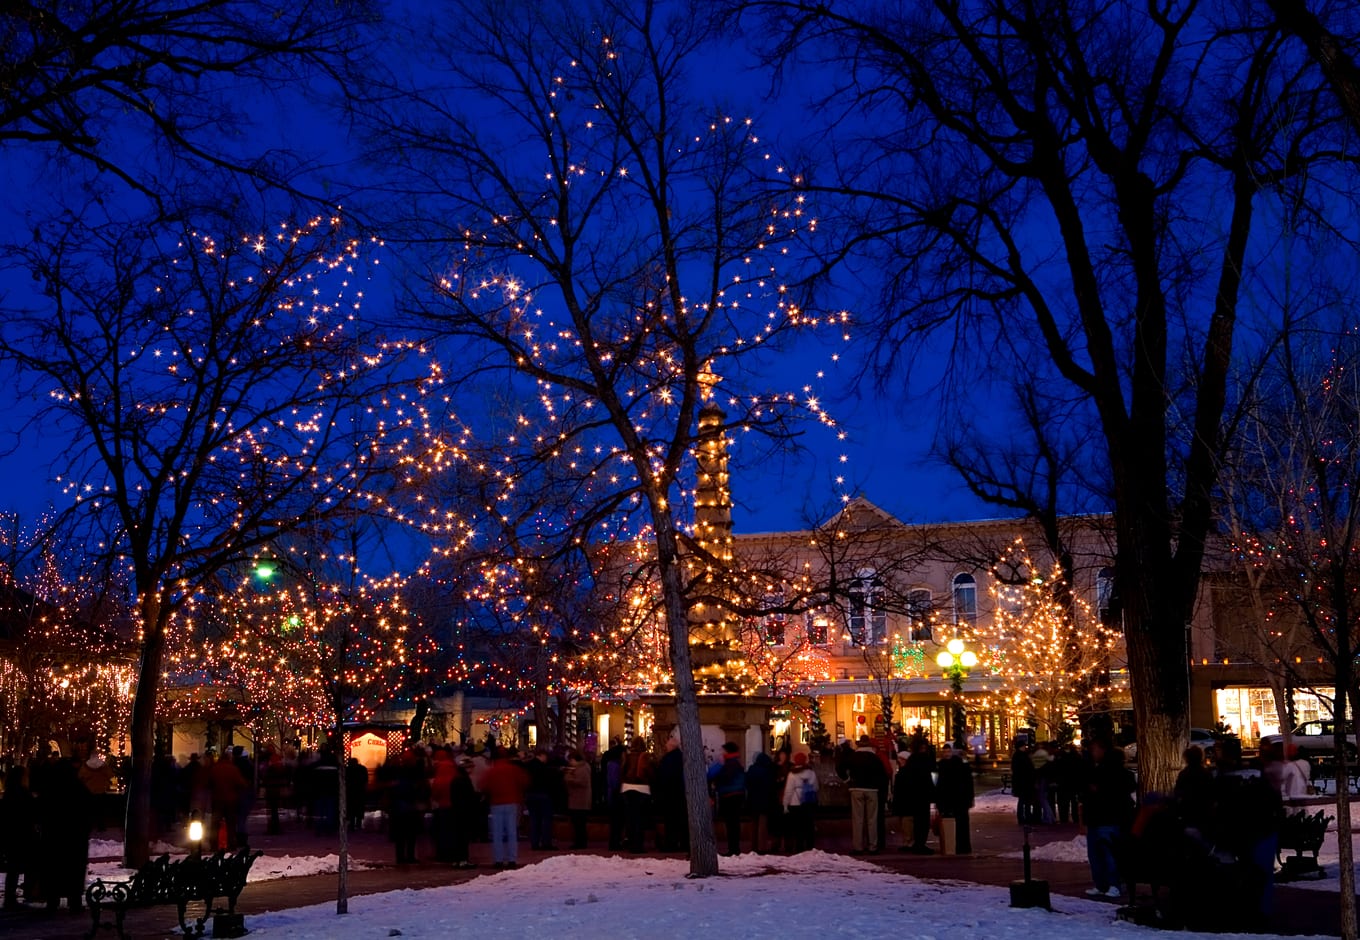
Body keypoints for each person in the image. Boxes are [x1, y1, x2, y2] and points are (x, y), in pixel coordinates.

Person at [1081, 740, 1135, 899]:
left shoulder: (1105, 772)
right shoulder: (1119, 773)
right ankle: (1106, 884)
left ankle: (1109, 884)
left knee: (1104, 853)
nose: (1092, 753)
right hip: (1105, 817)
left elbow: (1094, 791)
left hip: (1105, 817)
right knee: (1103, 853)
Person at [838, 736, 888, 854]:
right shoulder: (875, 758)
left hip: (856, 788)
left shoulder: (853, 757)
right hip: (872, 789)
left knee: (858, 819)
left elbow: (840, 767)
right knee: (872, 819)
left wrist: (847, 780)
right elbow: (882, 775)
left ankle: (858, 846)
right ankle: (872, 846)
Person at [482, 749, 529, 868]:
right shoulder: (513, 769)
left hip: (496, 803)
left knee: (497, 833)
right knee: (512, 831)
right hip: (512, 801)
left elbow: (483, 785)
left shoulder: (491, 771)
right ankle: (512, 859)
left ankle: (498, 860)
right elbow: (525, 781)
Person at [1, 766, 37, 909]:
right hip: (23, 834)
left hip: (12, 835)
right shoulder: (23, 794)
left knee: (13, 867)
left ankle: (11, 895)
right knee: (27, 864)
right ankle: (27, 891)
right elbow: (30, 812)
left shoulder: (9, 793)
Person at [935, 742, 975, 854]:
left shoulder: (958, 764)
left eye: (948, 751)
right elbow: (939, 784)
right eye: (944, 752)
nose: (946, 754)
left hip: (958, 799)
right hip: (951, 799)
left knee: (960, 824)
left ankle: (959, 847)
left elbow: (967, 781)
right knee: (954, 824)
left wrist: (969, 797)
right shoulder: (942, 765)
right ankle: (954, 846)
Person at [898, 739, 936, 854]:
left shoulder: (912, 760)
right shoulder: (926, 759)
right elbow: (931, 774)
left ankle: (917, 843)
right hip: (923, 794)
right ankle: (920, 844)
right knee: (923, 821)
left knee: (918, 820)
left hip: (915, 795)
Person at [708, 742, 746, 856]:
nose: (721, 752)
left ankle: (733, 849)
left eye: (722, 750)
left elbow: (723, 777)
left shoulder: (730, 763)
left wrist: (716, 781)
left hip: (731, 796)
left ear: (727, 751)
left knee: (732, 823)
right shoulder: (734, 762)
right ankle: (734, 848)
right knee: (732, 823)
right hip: (734, 795)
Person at [619, 738, 655, 853]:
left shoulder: (628, 756)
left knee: (630, 817)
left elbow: (622, 770)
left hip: (627, 787)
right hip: (642, 788)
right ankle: (638, 845)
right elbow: (649, 772)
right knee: (640, 818)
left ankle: (630, 841)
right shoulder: (645, 756)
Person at [655, 734, 688, 852]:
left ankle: (671, 843)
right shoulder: (681, 757)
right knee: (681, 819)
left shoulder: (668, 759)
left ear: (671, 746)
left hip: (670, 793)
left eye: (667, 744)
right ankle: (684, 843)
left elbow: (663, 776)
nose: (665, 746)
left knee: (670, 820)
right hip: (680, 792)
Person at [781, 751, 818, 853]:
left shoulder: (792, 774)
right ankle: (810, 846)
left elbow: (788, 791)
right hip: (808, 802)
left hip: (795, 803)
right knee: (808, 825)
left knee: (797, 827)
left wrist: (785, 805)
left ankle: (799, 846)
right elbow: (816, 787)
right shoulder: (811, 772)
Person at [525, 748, 560, 851]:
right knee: (546, 819)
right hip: (543, 794)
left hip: (531, 794)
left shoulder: (529, 766)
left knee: (534, 819)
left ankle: (534, 843)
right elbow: (548, 780)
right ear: (542, 755)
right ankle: (546, 842)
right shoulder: (543, 768)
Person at [745, 751, 777, 853]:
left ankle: (753, 846)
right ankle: (761, 846)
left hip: (753, 800)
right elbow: (771, 786)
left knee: (753, 824)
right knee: (762, 825)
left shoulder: (752, 769)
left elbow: (747, 783)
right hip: (765, 801)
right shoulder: (768, 771)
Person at [564, 749, 592, 850]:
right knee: (577, 823)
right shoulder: (580, 768)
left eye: (571, 760)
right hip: (577, 799)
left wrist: (569, 779)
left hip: (580, 800)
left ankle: (580, 842)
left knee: (579, 823)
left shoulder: (583, 768)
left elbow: (582, 782)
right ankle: (579, 841)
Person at [1010, 743, 1036, 825]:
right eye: (1023, 746)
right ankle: (1024, 817)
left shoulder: (1021, 756)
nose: (1025, 747)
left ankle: (1026, 817)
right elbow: (1023, 770)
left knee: (1024, 801)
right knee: (1024, 801)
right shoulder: (1020, 757)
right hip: (1023, 782)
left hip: (1023, 782)